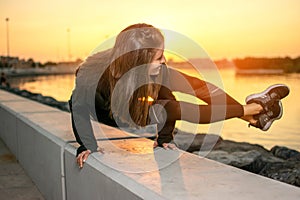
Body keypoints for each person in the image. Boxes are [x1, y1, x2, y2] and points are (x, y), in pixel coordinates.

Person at [69, 23, 289, 168]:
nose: (164, 61)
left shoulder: (152, 71)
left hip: (136, 97)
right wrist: (88, 145)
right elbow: (76, 106)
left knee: (190, 88)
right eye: (159, 57)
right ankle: (256, 109)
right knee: (172, 108)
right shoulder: (92, 75)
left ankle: (253, 115)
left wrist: (164, 138)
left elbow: (199, 89)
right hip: (114, 113)